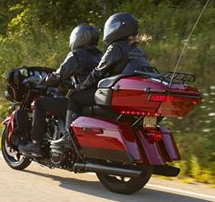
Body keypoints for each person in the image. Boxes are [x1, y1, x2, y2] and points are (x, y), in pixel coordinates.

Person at [51, 12, 154, 150]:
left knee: (74, 96)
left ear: (119, 28)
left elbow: (99, 71)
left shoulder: (115, 47)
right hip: (130, 94)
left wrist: (82, 87)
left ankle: (69, 138)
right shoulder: (138, 49)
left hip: (113, 92)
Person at [18, 24, 103, 156]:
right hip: (95, 99)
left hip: (78, 101)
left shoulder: (76, 55)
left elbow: (59, 75)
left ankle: (35, 144)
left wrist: (42, 81)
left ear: (79, 37)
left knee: (40, 102)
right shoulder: (101, 56)